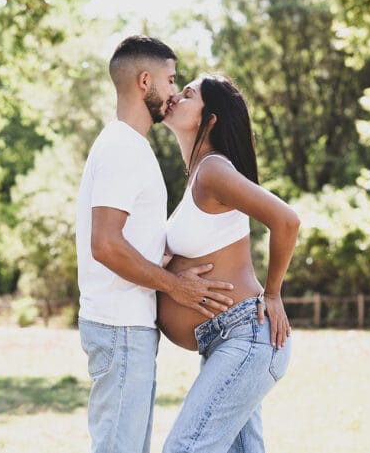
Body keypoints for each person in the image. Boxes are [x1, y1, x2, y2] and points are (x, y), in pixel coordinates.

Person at [75, 36, 235, 453]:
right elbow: (105, 244)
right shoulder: (123, 147)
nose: (173, 92)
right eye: (169, 80)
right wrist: (174, 285)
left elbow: (128, 242)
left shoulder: (128, 146)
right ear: (145, 80)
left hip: (127, 327)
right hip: (120, 326)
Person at [157, 74, 300, 453]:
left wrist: (273, 293)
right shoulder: (198, 177)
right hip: (226, 342)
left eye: (188, 94)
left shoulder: (215, 170)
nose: (175, 96)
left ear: (212, 119)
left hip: (245, 336)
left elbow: (287, 220)